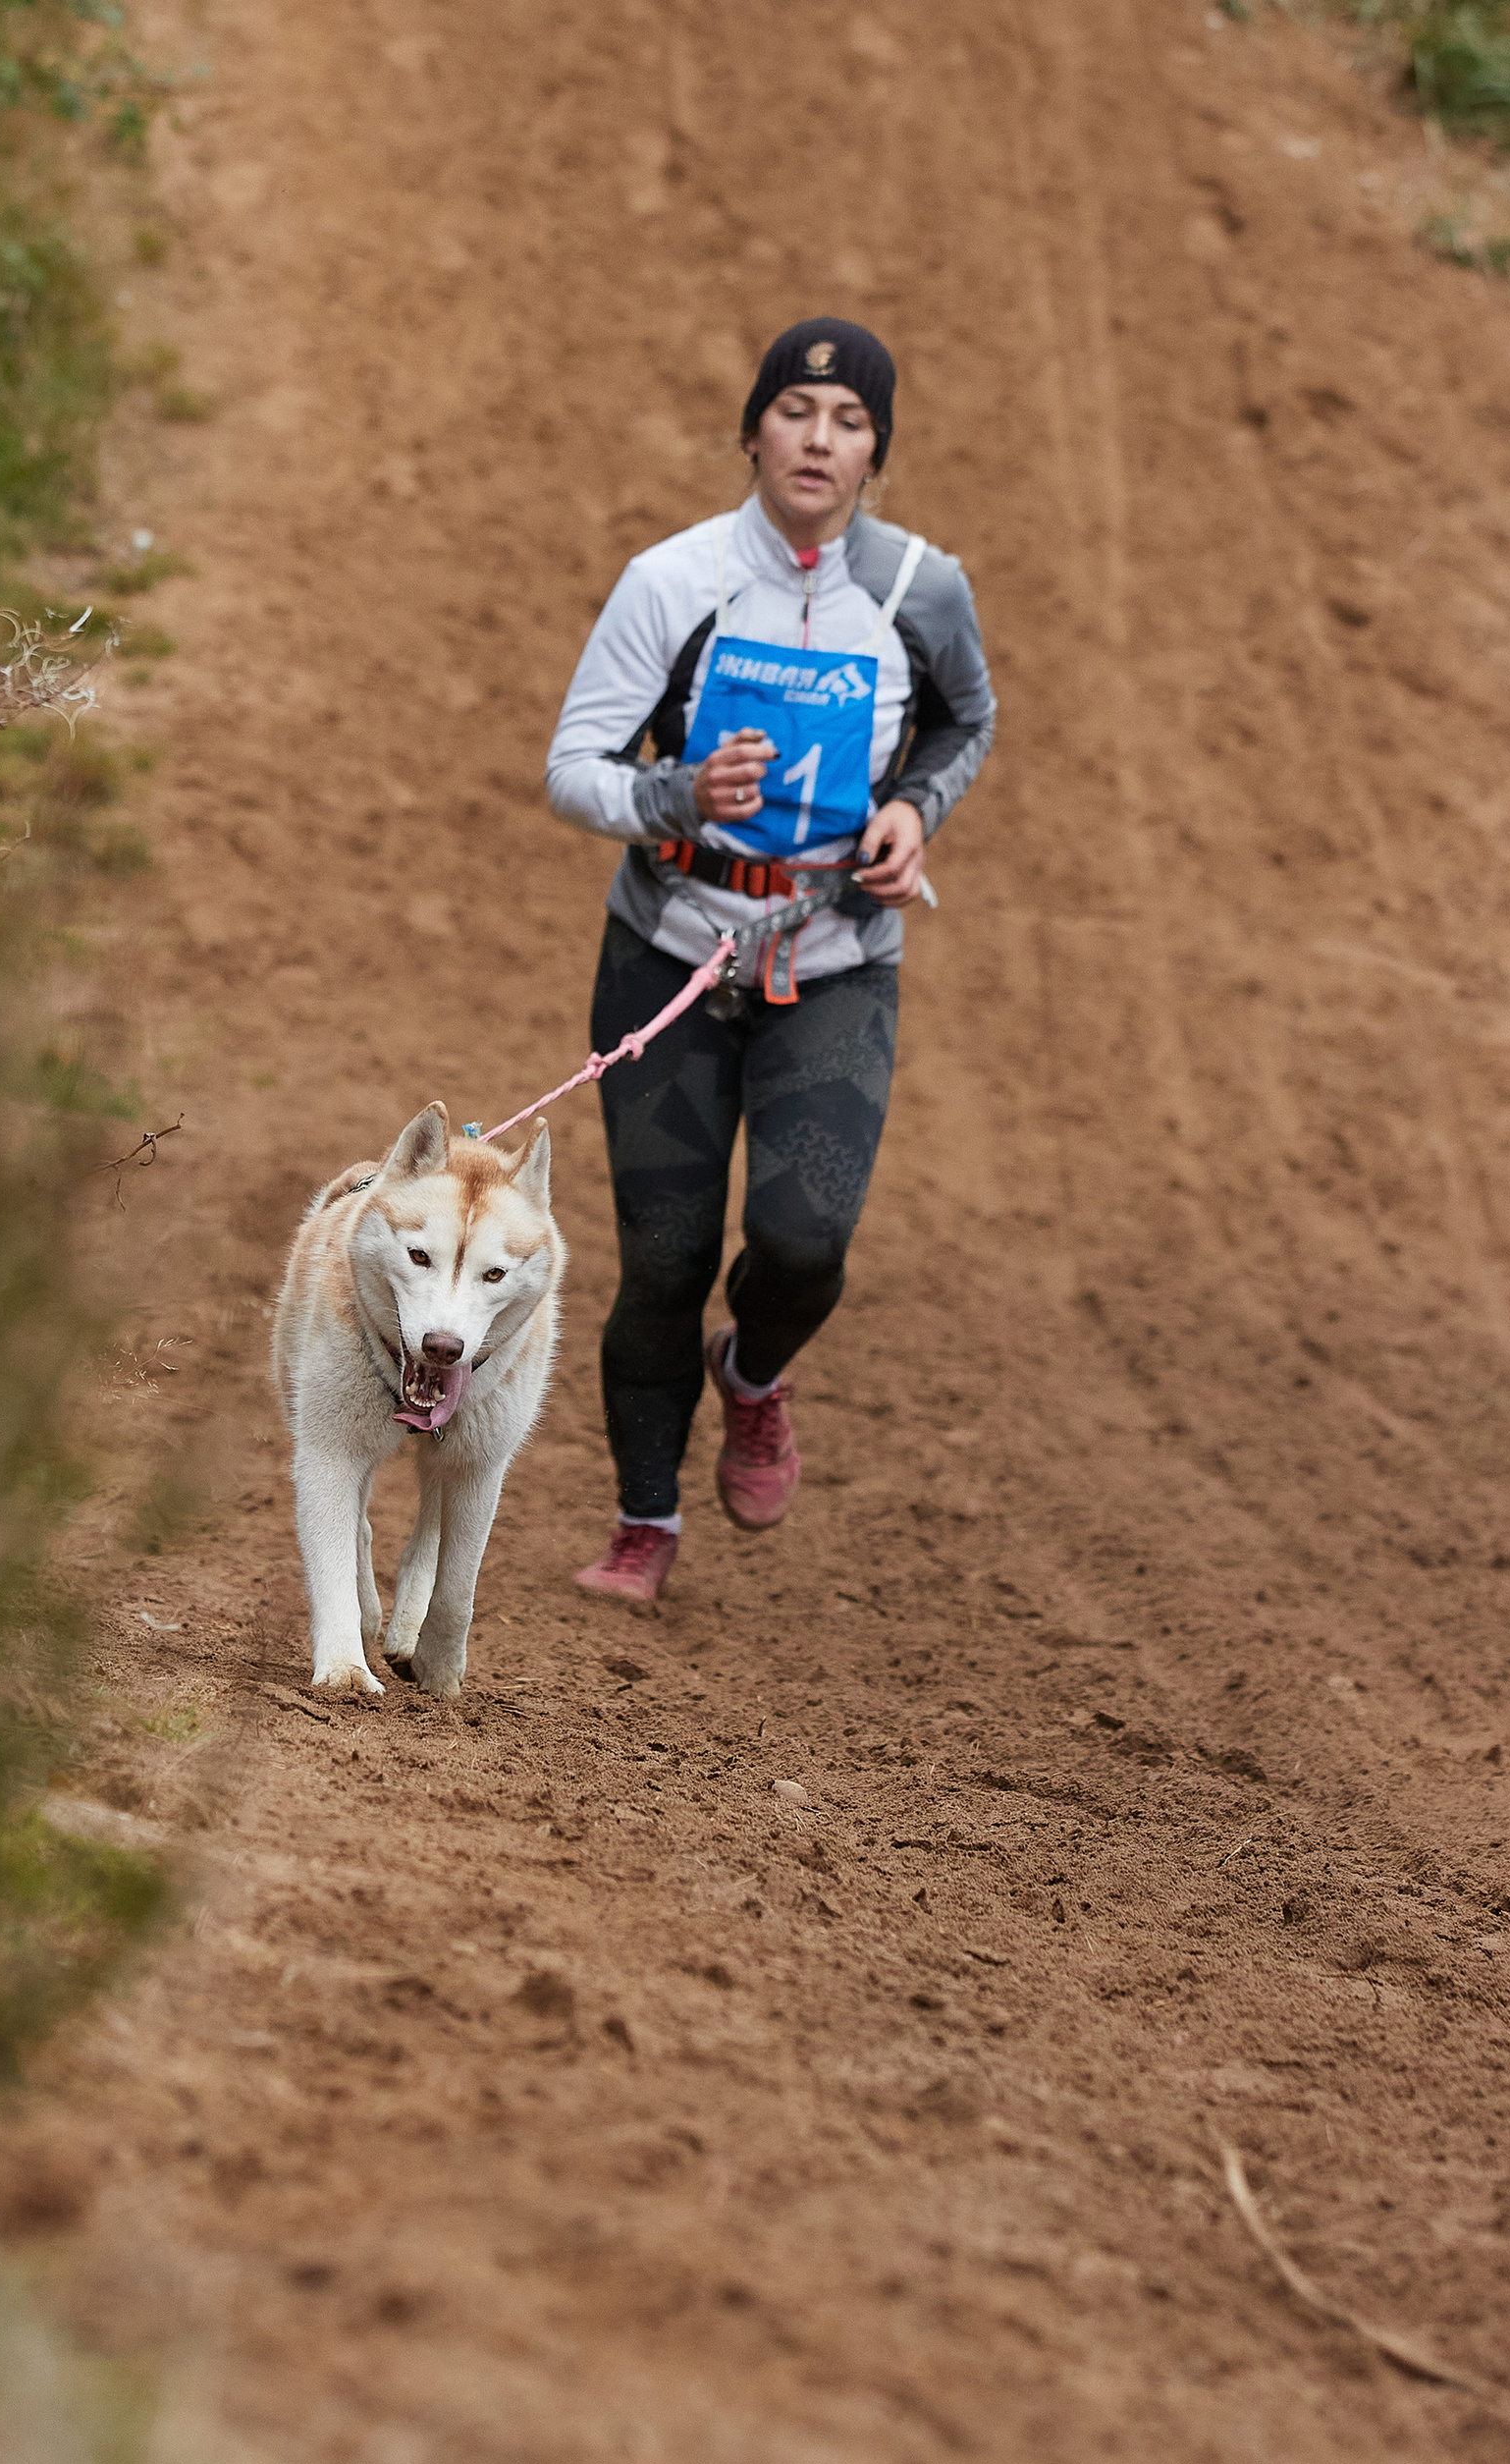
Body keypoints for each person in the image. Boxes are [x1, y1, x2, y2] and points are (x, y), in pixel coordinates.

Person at [543, 316, 996, 1602]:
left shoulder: (921, 593)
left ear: (876, 456)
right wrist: (679, 795)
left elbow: (970, 717)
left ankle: (751, 1379)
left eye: (852, 422)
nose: (820, 438)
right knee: (666, 1258)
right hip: (671, 953)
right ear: (754, 431)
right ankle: (644, 1525)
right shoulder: (673, 581)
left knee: (805, 1240)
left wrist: (913, 810)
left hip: (837, 958)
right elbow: (574, 770)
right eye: (797, 412)